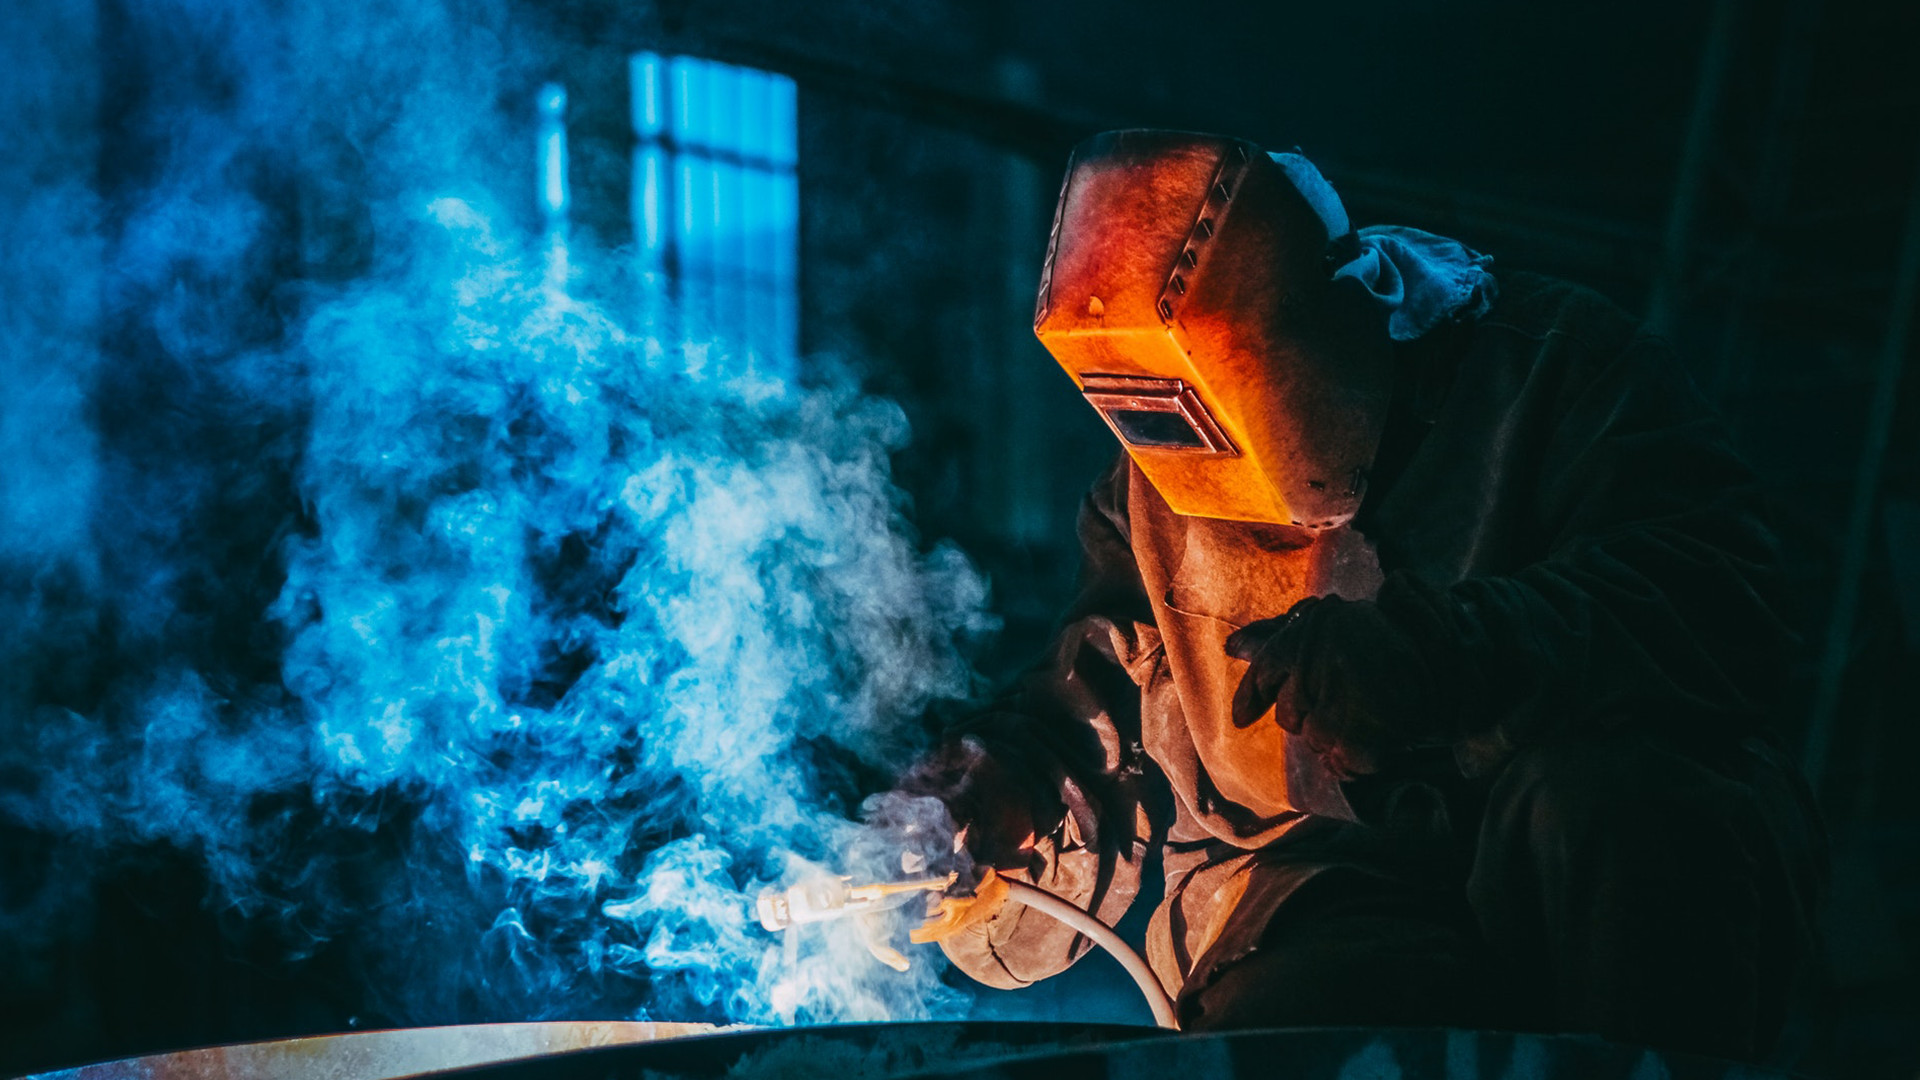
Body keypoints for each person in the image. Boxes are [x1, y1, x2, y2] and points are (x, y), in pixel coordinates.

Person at [898, 129, 1825, 1062]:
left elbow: (1724, 598)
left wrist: (1450, 656)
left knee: (1613, 812)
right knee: (1293, 1035)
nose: (1207, 471)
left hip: (1570, 852)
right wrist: (999, 800)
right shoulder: (1151, 484)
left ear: (1336, 317)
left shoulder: (1557, 370)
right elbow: (1098, 726)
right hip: (1320, 887)